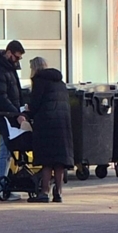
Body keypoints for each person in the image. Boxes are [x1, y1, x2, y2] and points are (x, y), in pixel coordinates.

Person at [27, 57, 73, 203]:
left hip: (46, 123)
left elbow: (35, 104)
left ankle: (44, 192)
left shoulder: (39, 81)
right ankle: (58, 192)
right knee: (59, 161)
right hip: (62, 124)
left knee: (47, 160)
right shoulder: (60, 82)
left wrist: (27, 111)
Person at [0, 40, 27, 201]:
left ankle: (5, 184)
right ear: (9, 53)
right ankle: (2, 187)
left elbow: (16, 92)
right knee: (4, 150)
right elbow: (0, 96)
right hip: (2, 115)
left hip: (9, 113)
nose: (17, 61)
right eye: (16, 57)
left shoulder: (9, 68)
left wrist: (21, 109)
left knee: (8, 150)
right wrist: (16, 113)